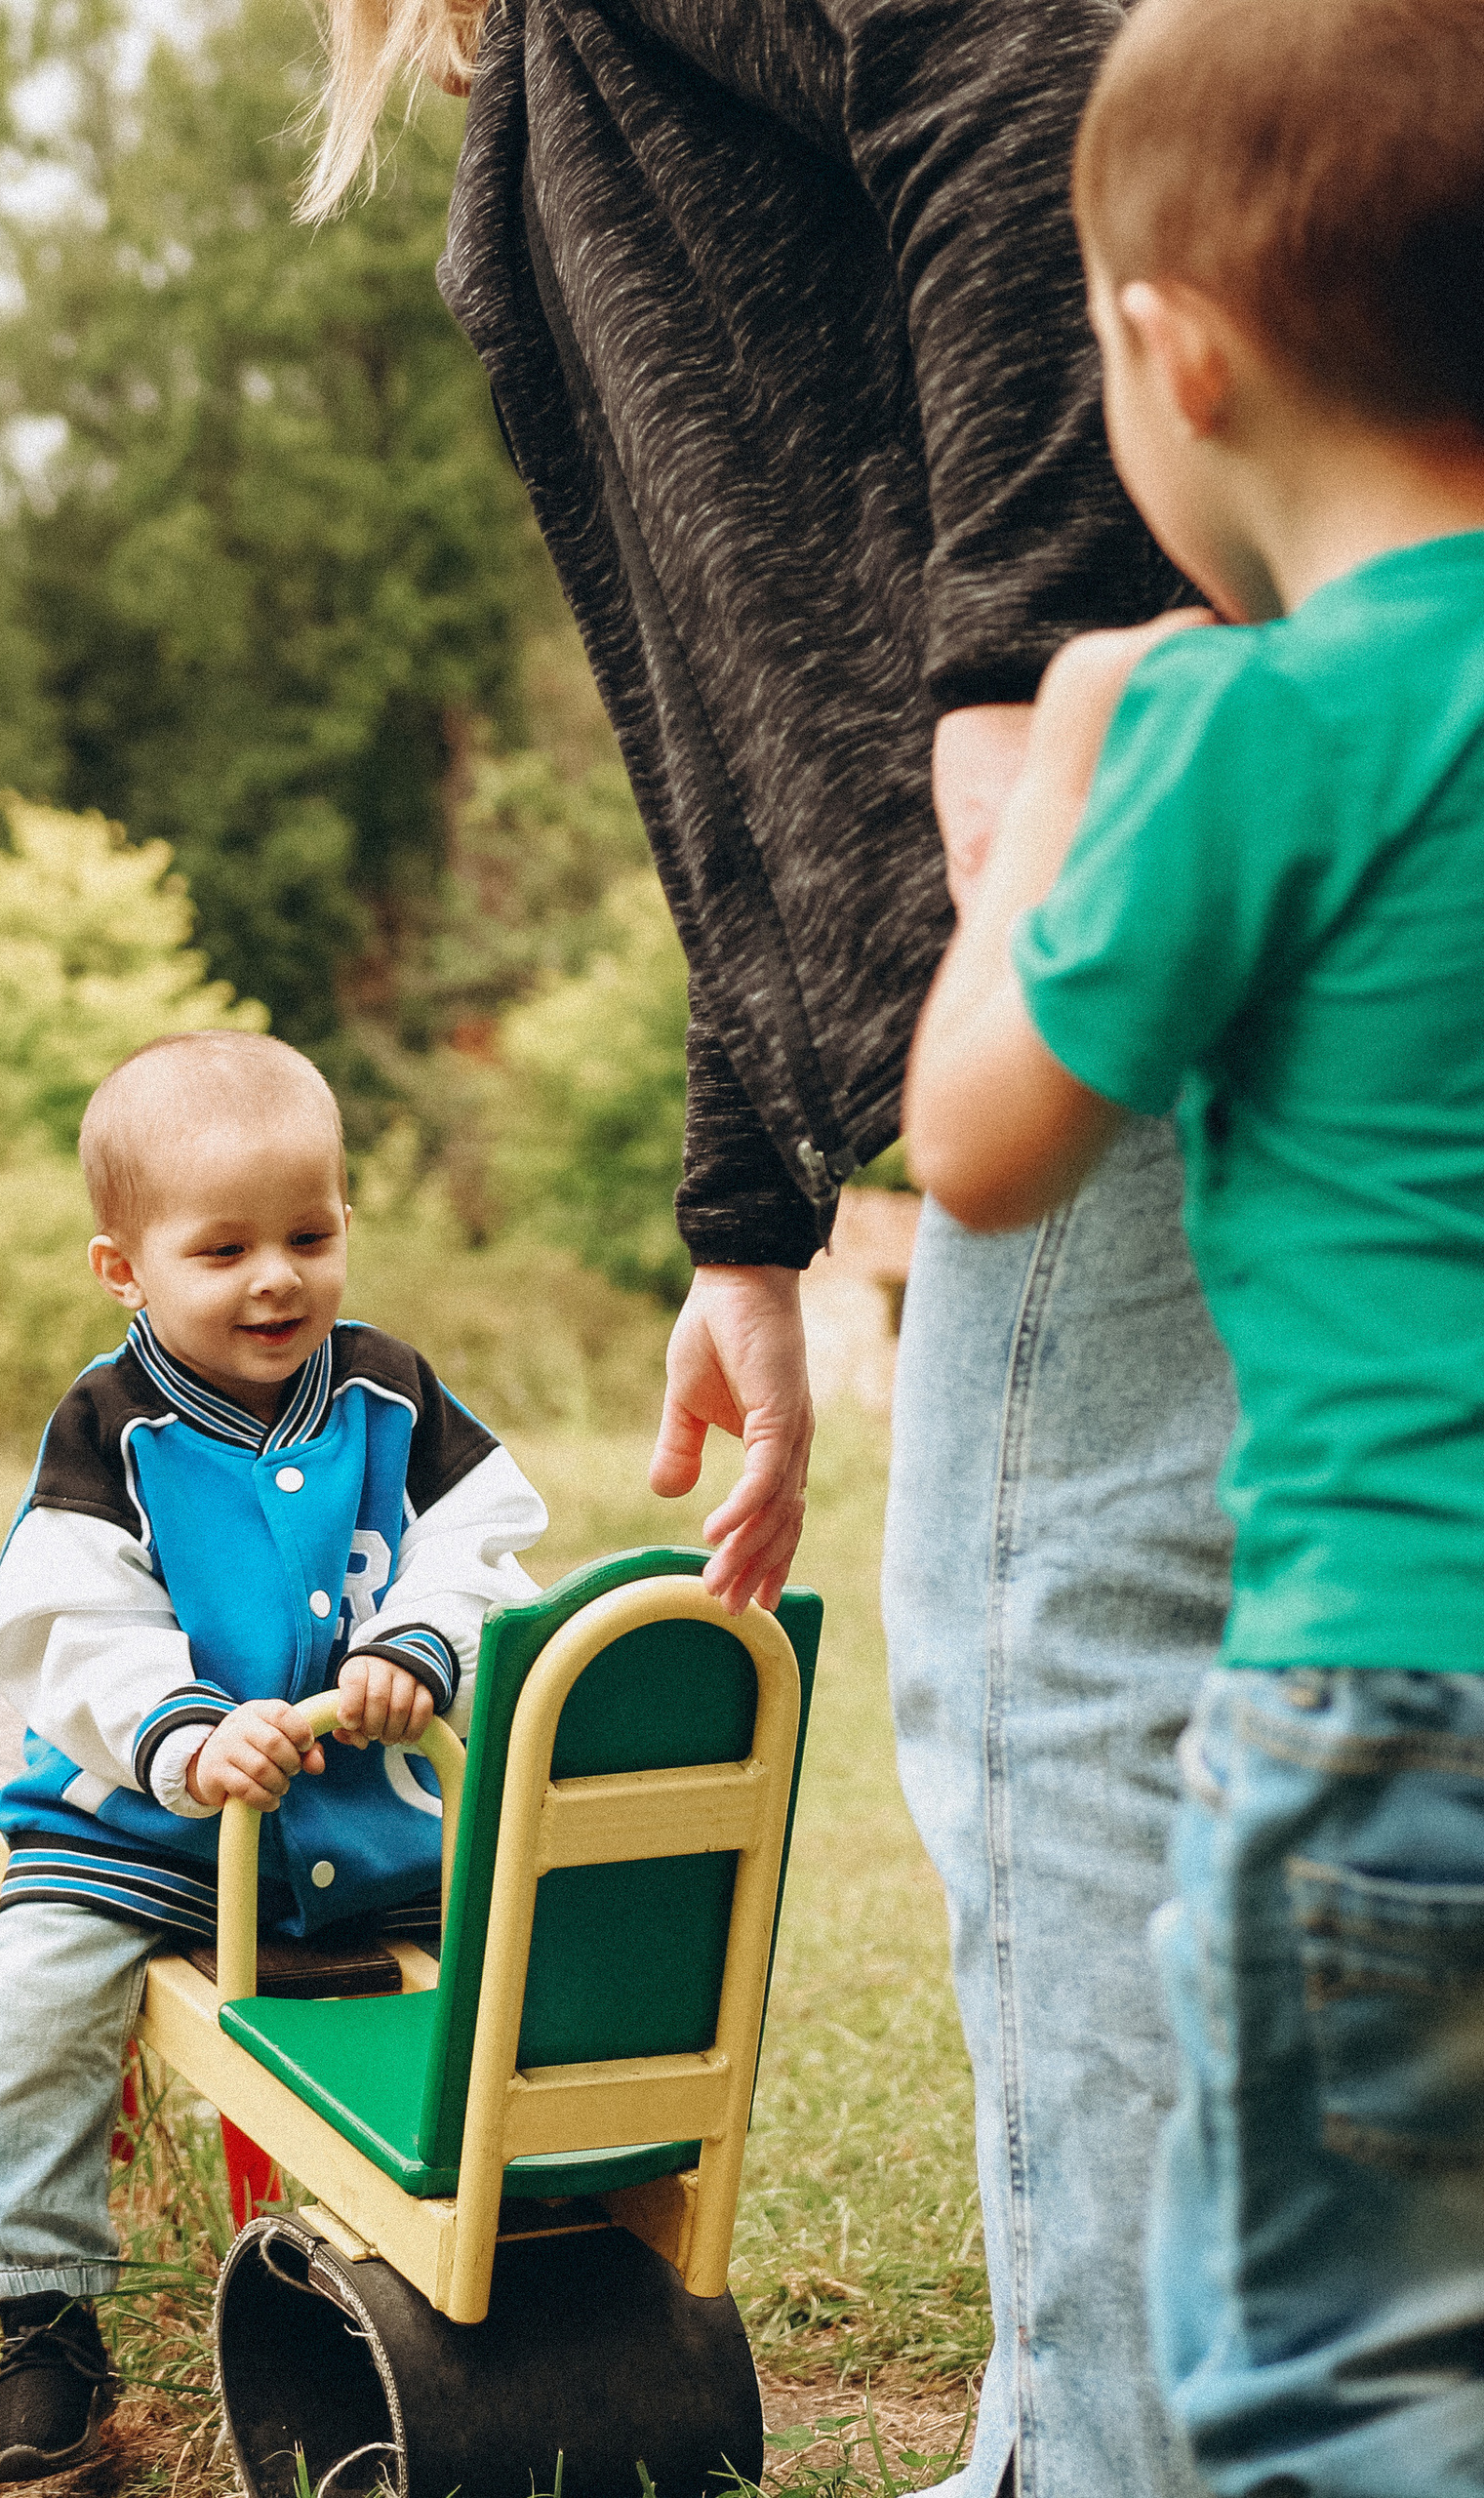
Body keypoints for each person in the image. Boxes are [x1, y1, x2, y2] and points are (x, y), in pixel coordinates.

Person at [310, 3, 1229, 2490]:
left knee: (1064, 1667)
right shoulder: (555, 57)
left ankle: (1117, 2455)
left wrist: (1021, 655)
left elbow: (1012, 53)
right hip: (1018, 927)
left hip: (1114, 875)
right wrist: (750, 1205)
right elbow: (719, 664)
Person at [904, 2, 1484, 2484]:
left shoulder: (1243, 725)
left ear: (1168, 352)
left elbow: (982, 1146)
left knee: (1344, 2384)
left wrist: (1064, 769)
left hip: (1378, 1707)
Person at [0, 1029, 547, 2481]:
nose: (275, 1277)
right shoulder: (113, 1432)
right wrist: (179, 1730)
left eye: (308, 1233)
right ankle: (47, 2318)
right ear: (126, 1269)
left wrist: (423, 1641)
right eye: (221, 1250)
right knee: (34, 2012)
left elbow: (491, 1543)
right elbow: (64, 1619)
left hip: (376, 1827)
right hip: (144, 1842)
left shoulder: (390, 1397)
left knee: (508, 1984)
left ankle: (520, 2254)